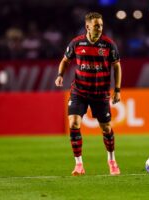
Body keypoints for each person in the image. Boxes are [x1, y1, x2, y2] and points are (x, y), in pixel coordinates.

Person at [55, 12, 122, 176]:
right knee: (74, 124)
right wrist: (60, 75)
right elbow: (65, 60)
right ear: (87, 26)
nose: (99, 28)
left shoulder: (108, 45)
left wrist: (118, 90)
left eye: (101, 25)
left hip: (100, 93)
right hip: (79, 91)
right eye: (96, 25)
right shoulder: (77, 43)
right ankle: (79, 165)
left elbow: (117, 66)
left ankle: (112, 160)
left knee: (106, 128)